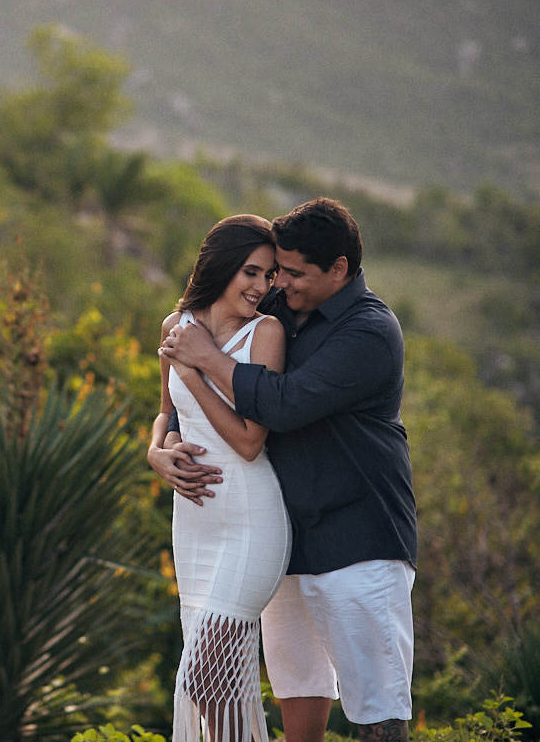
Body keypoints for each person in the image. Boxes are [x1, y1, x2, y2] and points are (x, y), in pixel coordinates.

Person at [154, 197, 417, 742]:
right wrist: (162, 444)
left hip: (356, 537)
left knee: (377, 705)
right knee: (296, 682)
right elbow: (187, 390)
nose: (280, 283)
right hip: (284, 530)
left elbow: (283, 404)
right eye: (277, 270)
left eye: (293, 273)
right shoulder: (278, 304)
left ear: (338, 269)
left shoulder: (369, 332)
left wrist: (202, 360)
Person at [147, 214, 291, 742]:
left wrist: (194, 371)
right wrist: (156, 452)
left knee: (203, 675)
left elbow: (251, 442)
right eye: (251, 272)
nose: (260, 287)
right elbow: (166, 413)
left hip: (251, 521)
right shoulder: (176, 324)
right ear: (222, 266)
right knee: (214, 689)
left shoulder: (266, 334)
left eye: (269, 276)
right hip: (194, 525)